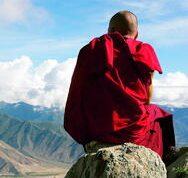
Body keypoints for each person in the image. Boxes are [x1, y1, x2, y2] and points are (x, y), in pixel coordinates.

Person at [64, 10, 175, 159]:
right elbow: (147, 99)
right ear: (137, 33)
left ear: (111, 30)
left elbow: (79, 92)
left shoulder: (93, 49)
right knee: (159, 114)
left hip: (97, 128)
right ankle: (162, 162)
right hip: (133, 130)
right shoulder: (144, 52)